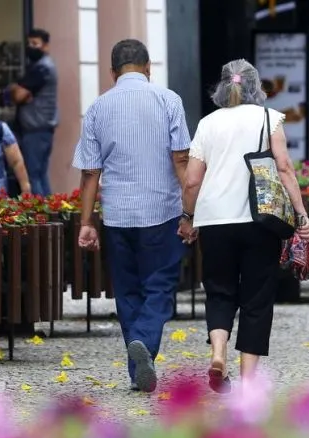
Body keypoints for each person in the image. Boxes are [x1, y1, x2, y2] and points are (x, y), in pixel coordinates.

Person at [179, 59, 309, 394]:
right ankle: (249, 383)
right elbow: (283, 168)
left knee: (219, 291)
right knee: (257, 297)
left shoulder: (207, 123)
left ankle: (218, 352)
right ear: (256, 87)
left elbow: (192, 181)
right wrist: (301, 214)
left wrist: (187, 217)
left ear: (222, 87)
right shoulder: (269, 118)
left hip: (214, 222)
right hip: (259, 221)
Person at [73, 39, 191, 393]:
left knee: (126, 291)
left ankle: (138, 363)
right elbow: (181, 160)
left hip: (118, 214)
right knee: (160, 285)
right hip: (162, 210)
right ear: (148, 66)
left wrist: (86, 222)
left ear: (112, 72)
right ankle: (143, 343)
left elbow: (90, 173)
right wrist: (192, 210)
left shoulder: (97, 108)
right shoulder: (168, 100)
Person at [0, 28, 58, 197]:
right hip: (40, 128)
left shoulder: (42, 69)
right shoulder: (41, 66)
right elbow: (18, 92)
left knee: (33, 175)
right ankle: (51, 215)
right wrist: (16, 90)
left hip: (36, 128)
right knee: (40, 174)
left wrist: (15, 91)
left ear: (45, 46)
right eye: (29, 43)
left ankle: (43, 215)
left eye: (35, 44)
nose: (31, 47)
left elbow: (17, 95)